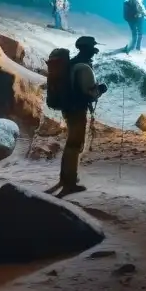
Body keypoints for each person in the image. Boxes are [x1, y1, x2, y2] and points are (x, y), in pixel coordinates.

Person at [58, 35, 107, 195]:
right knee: (75, 144)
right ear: (87, 49)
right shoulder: (84, 68)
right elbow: (90, 93)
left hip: (69, 108)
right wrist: (101, 89)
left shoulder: (73, 63)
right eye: (93, 48)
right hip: (77, 109)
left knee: (71, 143)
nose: (94, 51)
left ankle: (65, 177)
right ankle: (70, 182)